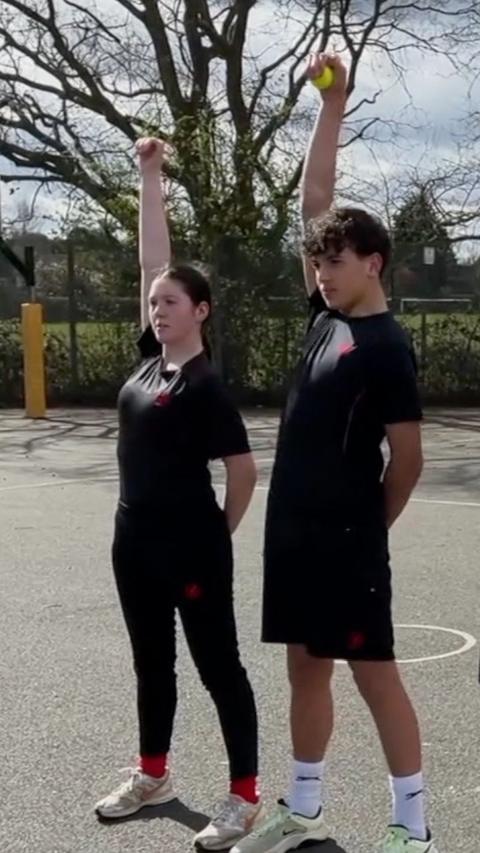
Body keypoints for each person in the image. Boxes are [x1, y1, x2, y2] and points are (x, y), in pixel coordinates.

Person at [232, 53, 438, 853]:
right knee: (305, 670)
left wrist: (367, 524)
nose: (320, 272)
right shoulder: (326, 319)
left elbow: (409, 459)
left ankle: (412, 827)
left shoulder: (386, 347)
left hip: (348, 539)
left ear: (372, 262)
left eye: (335, 261)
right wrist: (332, 106)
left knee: (373, 671)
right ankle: (305, 810)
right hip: (296, 536)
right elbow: (315, 201)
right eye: (317, 261)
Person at [95, 138, 264, 851]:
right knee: (150, 663)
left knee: (218, 666)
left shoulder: (206, 387)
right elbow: (150, 260)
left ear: (201, 311)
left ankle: (244, 797)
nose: (159, 308)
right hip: (132, 541)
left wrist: (213, 534)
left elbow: (244, 470)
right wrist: (149, 176)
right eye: (155, 302)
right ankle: (153, 773)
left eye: (172, 302)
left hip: (191, 545)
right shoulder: (149, 363)